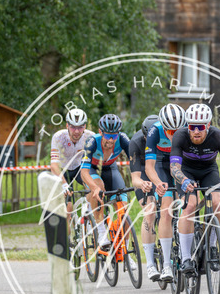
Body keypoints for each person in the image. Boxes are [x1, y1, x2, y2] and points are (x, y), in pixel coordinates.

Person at [170, 102, 220, 274]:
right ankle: (186, 258)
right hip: (186, 171)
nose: (196, 131)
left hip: (208, 171)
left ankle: (211, 246)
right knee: (190, 205)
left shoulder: (217, 136)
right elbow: (174, 168)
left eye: (200, 127)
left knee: (218, 202)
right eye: (192, 127)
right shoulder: (180, 136)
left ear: (208, 125)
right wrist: (183, 180)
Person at [145, 103, 186, 282]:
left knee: (189, 204)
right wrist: (158, 183)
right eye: (169, 131)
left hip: (182, 163)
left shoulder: (188, 128)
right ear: (163, 126)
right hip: (162, 164)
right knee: (166, 210)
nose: (173, 135)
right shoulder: (154, 131)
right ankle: (167, 265)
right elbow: (149, 166)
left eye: (177, 131)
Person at [80, 113, 130, 248]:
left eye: (114, 136)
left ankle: (125, 251)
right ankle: (101, 231)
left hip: (110, 169)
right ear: (100, 132)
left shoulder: (123, 139)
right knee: (98, 187)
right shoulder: (91, 142)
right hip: (92, 169)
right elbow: (83, 172)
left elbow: (135, 160)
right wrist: (94, 188)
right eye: (108, 136)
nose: (111, 140)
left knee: (124, 211)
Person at [129, 114, 160, 281]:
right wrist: (143, 184)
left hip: (159, 169)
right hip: (142, 173)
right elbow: (134, 178)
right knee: (150, 211)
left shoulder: (167, 137)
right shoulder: (135, 142)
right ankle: (150, 264)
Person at [50, 109, 93, 219]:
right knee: (68, 207)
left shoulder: (90, 137)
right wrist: (64, 185)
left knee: (92, 189)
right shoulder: (58, 137)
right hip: (63, 170)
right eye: (73, 127)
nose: (77, 131)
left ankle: (88, 218)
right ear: (67, 126)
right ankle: (68, 226)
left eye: (80, 127)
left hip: (79, 168)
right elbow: (54, 166)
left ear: (85, 126)